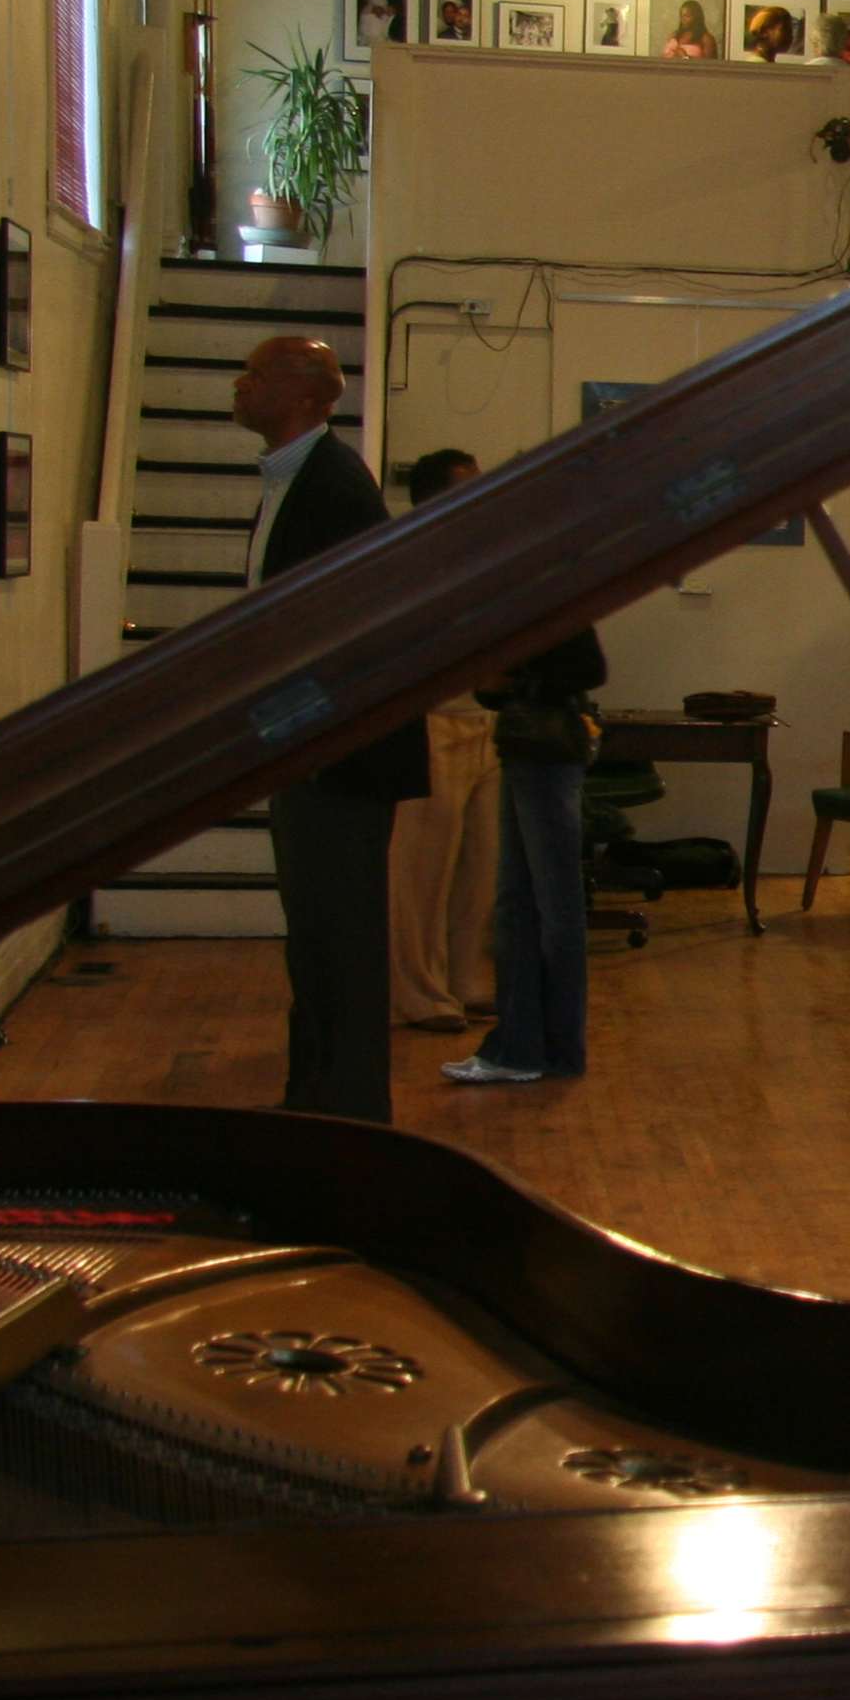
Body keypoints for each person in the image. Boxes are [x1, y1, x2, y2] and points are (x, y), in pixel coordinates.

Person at [231, 335, 429, 1122]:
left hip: (340, 759)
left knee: (340, 944)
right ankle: (313, 1100)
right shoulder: (294, 481)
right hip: (306, 753)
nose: (240, 385)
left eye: (257, 374)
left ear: (309, 396)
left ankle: (348, 1114)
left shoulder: (335, 487)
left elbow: (350, 633)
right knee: (312, 942)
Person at [447, 617, 609, 1086]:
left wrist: (514, 680)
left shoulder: (551, 595)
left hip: (545, 749)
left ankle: (549, 1049)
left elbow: (587, 668)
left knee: (551, 906)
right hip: (526, 746)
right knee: (518, 905)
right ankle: (523, 1047)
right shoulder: (534, 594)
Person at [386, 449, 497, 1034]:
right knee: (422, 875)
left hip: (486, 721)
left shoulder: (480, 553)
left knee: (480, 868)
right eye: (467, 486)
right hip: (432, 722)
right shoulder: (408, 558)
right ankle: (419, 992)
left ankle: (465, 979)